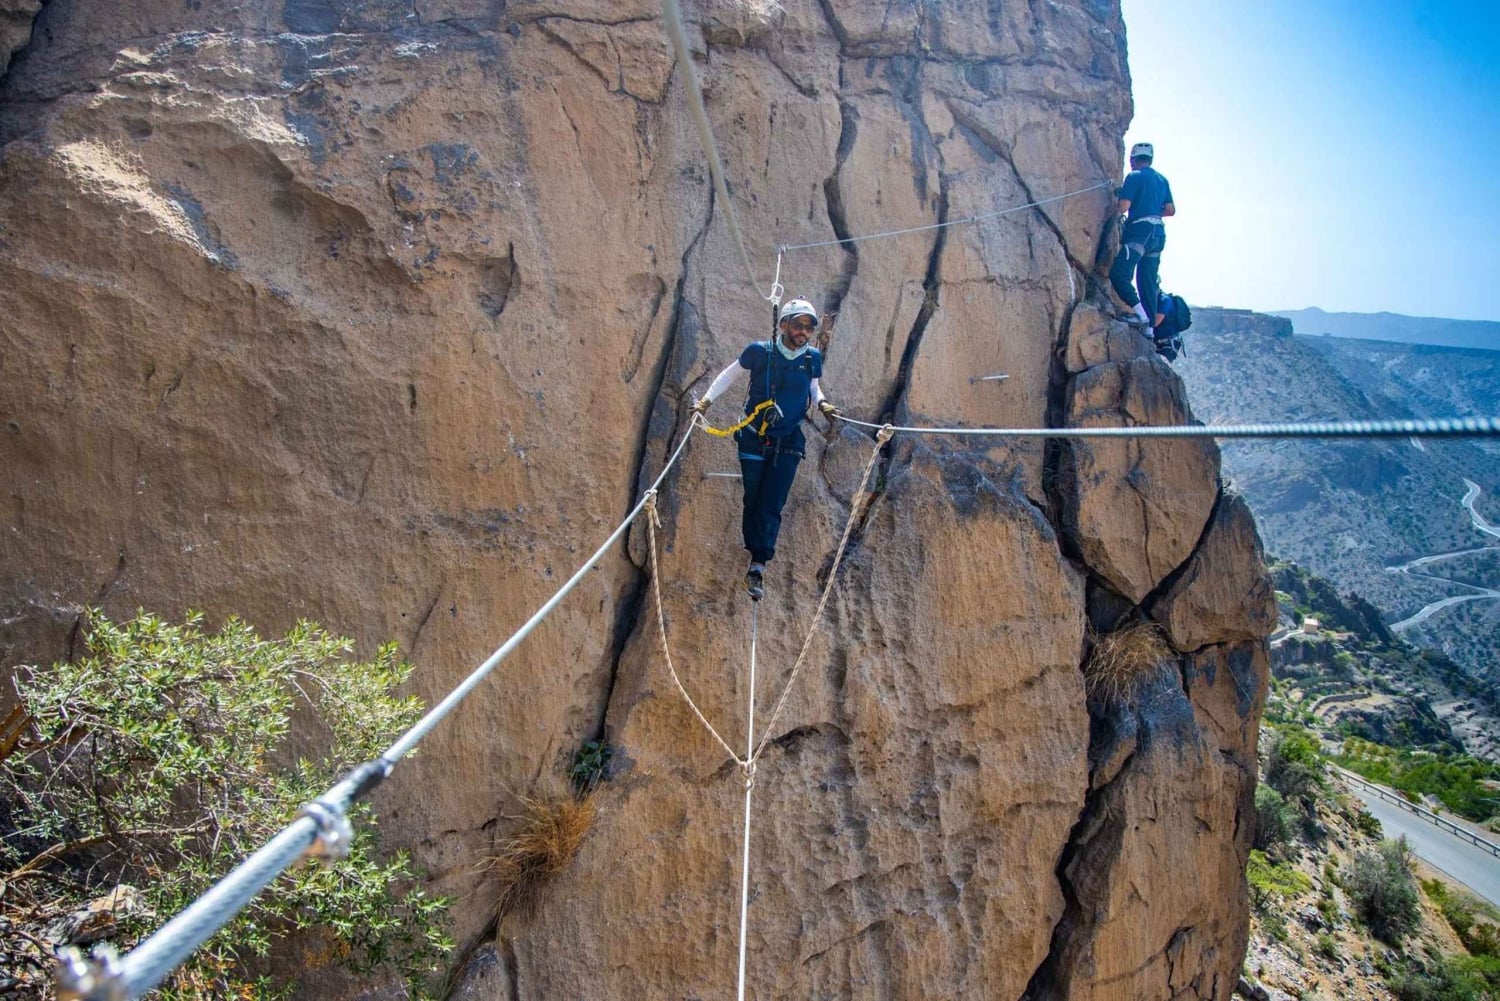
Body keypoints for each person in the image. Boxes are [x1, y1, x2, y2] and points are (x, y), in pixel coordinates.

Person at [690, 299, 841, 600]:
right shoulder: (760, 352)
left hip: (787, 441)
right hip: (753, 437)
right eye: (798, 325)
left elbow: (812, 387)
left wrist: (823, 404)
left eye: (809, 327)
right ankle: (754, 550)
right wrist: (706, 402)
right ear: (783, 324)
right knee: (754, 497)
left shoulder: (811, 357)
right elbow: (729, 374)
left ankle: (758, 564)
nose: (804, 332)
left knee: (772, 502)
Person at [1109, 141, 1175, 326]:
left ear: (1133, 159)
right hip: (1158, 234)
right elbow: (1170, 210)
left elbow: (1123, 207)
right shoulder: (1162, 180)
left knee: (1119, 274)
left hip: (1140, 232)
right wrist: (1152, 209)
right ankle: (1149, 330)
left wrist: (1128, 202)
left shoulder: (1134, 176)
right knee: (1147, 282)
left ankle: (1141, 315)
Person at [1152, 291, 1186, 362]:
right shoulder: (1157, 300)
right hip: (1158, 343)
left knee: (1160, 366)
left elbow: (1155, 323)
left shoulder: (1165, 300)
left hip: (1168, 345)